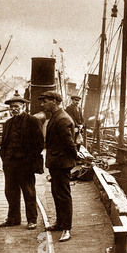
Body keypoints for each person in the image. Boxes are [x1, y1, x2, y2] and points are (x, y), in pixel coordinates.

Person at [39, 91, 81, 242]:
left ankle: (66, 229)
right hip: (56, 163)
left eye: (45, 101)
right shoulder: (56, 117)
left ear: (54, 102)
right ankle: (60, 223)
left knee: (63, 195)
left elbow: (69, 143)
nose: (42, 104)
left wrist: (75, 156)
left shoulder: (62, 119)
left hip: (62, 164)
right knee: (57, 193)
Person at [0, 93, 44, 230]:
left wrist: (29, 161)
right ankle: (13, 218)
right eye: (11, 107)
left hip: (25, 164)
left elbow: (39, 145)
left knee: (28, 192)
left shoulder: (32, 121)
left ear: (23, 106)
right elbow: (3, 145)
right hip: (10, 164)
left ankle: (32, 220)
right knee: (10, 192)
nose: (14, 109)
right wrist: (4, 158)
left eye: (16, 107)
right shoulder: (7, 124)